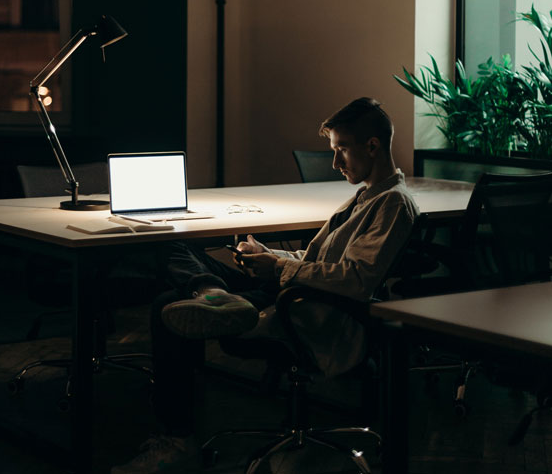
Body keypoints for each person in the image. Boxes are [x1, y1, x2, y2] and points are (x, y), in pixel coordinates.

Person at [111, 97, 419, 474]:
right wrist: (267, 255)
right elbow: (317, 261)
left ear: (372, 146)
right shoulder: (366, 196)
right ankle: (211, 290)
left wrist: (277, 268)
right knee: (169, 240)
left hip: (308, 310)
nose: (336, 163)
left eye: (341, 150)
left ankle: (177, 438)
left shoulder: (393, 204)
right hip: (291, 290)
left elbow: (355, 279)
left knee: (164, 305)